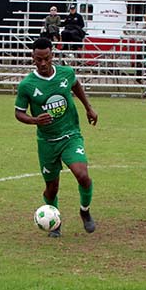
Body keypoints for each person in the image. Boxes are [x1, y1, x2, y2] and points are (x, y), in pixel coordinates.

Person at [14, 37, 98, 237]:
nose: (43, 63)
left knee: (83, 176)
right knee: (52, 189)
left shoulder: (66, 73)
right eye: (39, 59)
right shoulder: (27, 85)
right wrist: (34, 120)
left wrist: (88, 108)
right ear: (33, 58)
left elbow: (76, 86)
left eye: (47, 58)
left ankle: (85, 211)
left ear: (52, 55)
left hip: (70, 135)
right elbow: (19, 113)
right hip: (47, 142)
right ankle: (55, 222)